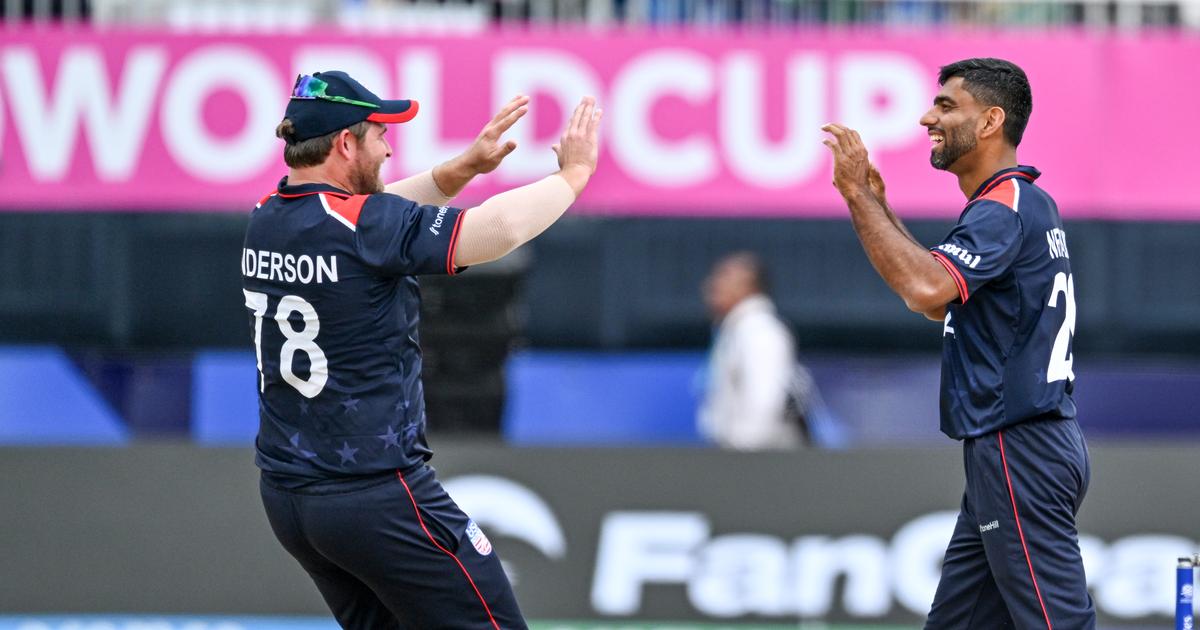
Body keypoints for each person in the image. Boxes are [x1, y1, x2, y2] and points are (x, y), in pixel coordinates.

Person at [242, 70, 601, 629]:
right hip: (374, 497)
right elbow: (497, 229)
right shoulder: (363, 223)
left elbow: (377, 220)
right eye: (379, 134)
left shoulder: (268, 215)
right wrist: (575, 175)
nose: (388, 148)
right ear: (344, 142)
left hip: (290, 501)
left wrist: (459, 170)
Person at [822, 58, 1094, 628]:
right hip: (1019, 446)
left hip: (1021, 449)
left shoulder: (1001, 210)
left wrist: (855, 196)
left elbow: (922, 285)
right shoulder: (1019, 204)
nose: (927, 118)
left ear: (991, 120)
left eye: (947, 105)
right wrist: (879, 205)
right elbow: (933, 300)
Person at [698, 251, 805, 450]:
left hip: (761, 466)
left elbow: (765, 407)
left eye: (724, 275)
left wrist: (740, 467)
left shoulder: (761, 331)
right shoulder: (737, 331)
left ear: (748, 284)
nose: (711, 285)